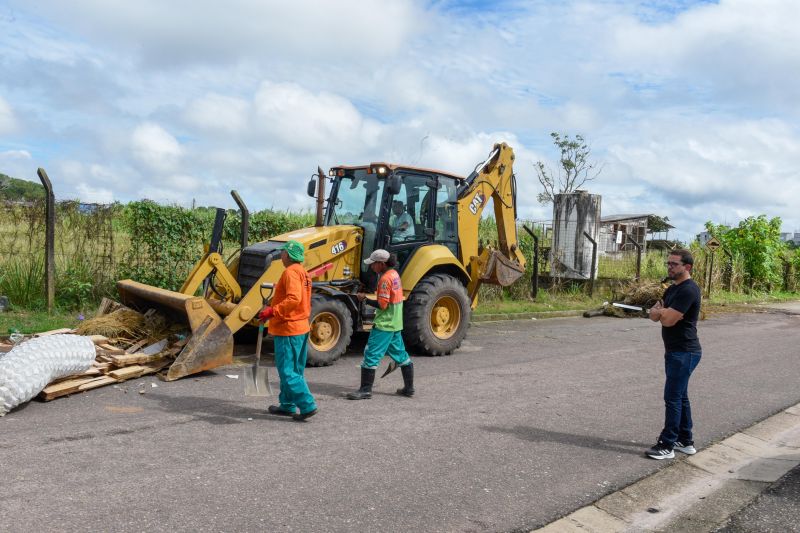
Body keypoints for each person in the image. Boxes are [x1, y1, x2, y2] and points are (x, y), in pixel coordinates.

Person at [646, 248, 702, 459]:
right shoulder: (671, 290)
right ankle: (685, 441)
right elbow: (654, 315)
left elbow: (667, 320)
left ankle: (666, 445)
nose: (669, 267)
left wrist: (662, 314)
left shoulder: (689, 290)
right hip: (675, 352)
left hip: (685, 352)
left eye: (674, 264)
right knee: (680, 397)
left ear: (686, 267)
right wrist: (661, 313)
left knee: (672, 398)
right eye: (668, 263)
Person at [258, 240, 318, 421]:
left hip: (288, 328)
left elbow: (293, 298)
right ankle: (287, 404)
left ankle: (307, 405)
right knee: (295, 370)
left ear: (288, 255)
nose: (281, 255)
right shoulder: (303, 272)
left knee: (287, 371)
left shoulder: (290, 272)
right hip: (300, 326)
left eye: (283, 252)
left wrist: (272, 311)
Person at [347, 249, 414, 400]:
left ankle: (365, 390)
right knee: (401, 355)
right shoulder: (395, 275)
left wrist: (364, 298)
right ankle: (409, 388)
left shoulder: (385, 279)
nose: (371, 267)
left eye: (373, 264)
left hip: (384, 324)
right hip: (395, 323)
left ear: (381, 264)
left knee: (371, 355)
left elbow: (382, 305)